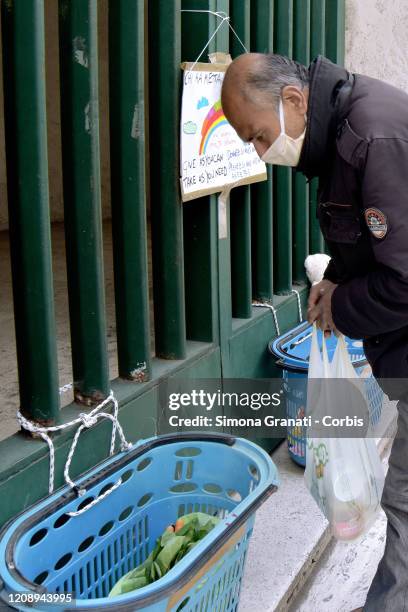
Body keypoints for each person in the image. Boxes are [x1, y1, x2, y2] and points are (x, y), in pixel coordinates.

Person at [221, 52, 408, 612]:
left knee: (402, 497)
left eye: (257, 135)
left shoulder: (371, 139)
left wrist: (342, 308)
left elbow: (404, 280)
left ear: (294, 101)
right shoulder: (341, 133)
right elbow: (376, 243)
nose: (259, 152)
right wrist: (336, 281)